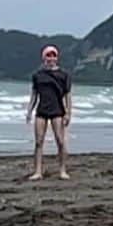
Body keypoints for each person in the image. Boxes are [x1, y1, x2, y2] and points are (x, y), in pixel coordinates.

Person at [25, 45, 72, 180]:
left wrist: (68, 113)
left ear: (56, 58)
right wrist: (29, 111)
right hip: (42, 111)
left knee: (60, 141)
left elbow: (68, 96)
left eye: (53, 56)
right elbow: (34, 95)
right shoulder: (38, 76)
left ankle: (63, 170)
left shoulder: (63, 75)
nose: (51, 58)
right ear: (44, 58)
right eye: (48, 56)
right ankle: (38, 171)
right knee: (39, 142)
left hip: (58, 111)